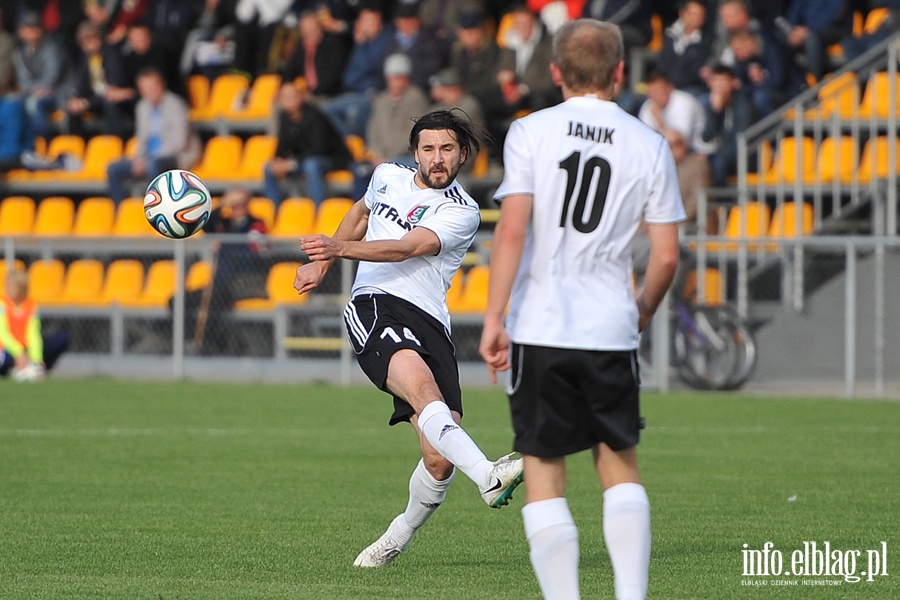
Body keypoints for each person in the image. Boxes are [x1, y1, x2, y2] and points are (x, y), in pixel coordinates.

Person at [479, 19, 684, 600]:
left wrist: (494, 319)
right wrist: (641, 309)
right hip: (609, 327)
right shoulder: (649, 144)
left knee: (544, 469)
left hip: (541, 325)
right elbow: (666, 257)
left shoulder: (529, 132)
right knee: (619, 465)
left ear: (554, 73)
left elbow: (513, 230)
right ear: (621, 73)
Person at [294, 108, 524, 569]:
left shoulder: (462, 211)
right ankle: (488, 475)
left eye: (446, 149)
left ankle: (394, 538)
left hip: (431, 324)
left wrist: (336, 249)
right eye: (428, 149)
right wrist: (324, 264)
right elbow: (361, 212)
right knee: (424, 394)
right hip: (376, 304)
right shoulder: (386, 176)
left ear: (462, 155)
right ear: (415, 152)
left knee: (439, 457)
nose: (436, 158)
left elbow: (407, 247)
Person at [179, 187, 268, 355]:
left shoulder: (256, 224)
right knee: (179, 300)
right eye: (233, 206)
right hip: (219, 283)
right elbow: (204, 222)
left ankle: (207, 347)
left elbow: (255, 252)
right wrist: (222, 204)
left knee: (214, 300)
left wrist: (225, 247)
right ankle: (185, 341)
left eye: (240, 205)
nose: (236, 209)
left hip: (242, 283)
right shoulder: (223, 224)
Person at [106, 67, 201, 203]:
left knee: (153, 165)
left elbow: (179, 143)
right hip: (149, 158)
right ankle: (121, 210)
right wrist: (139, 159)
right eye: (145, 88)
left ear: (161, 85)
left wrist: (148, 159)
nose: (150, 91)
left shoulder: (176, 105)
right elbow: (142, 139)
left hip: (177, 155)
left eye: (153, 86)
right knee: (113, 169)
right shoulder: (142, 107)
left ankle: (155, 206)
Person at [263, 81, 353, 206]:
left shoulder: (315, 115)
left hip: (331, 159)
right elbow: (282, 144)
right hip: (301, 160)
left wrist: (291, 164)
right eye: (284, 97)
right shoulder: (284, 117)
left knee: (311, 165)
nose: (288, 100)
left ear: (301, 97)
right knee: (269, 167)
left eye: (292, 96)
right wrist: (278, 160)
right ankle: (272, 213)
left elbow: (319, 149)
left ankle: (318, 211)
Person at [64, 21, 135, 138]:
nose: (89, 45)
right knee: (73, 106)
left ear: (99, 39)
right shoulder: (85, 57)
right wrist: (76, 98)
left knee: (110, 103)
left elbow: (113, 88)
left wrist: (87, 102)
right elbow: (82, 83)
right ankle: (76, 145)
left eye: (92, 40)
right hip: (95, 98)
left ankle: (114, 142)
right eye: (85, 42)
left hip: (114, 98)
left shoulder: (111, 54)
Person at [1, 269, 70, 381]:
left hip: (26, 348)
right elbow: (3, 334)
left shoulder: (31, 306)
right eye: (8, 285)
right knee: (5, 359)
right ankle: (12, 369)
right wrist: (18, 353)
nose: (9, 288)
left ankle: (36, 368)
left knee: (61, 338)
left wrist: (36, 358)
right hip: (7, 349)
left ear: (22, 287)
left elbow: (33, 334)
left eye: (13, 285)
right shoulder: (3, 305)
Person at [13, 11, 64, 142]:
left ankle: (42, 144)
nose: (33, 30)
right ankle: (21, 144)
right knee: (12, 103)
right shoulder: (20, 52)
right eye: (28, 27)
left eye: (35, 26)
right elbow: (22, 80)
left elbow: (52, 77)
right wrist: (34, 90)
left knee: (33, 103)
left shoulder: (51, 47)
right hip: (32, 92)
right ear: (21, 31)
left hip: (58, 92)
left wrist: (36, 89)